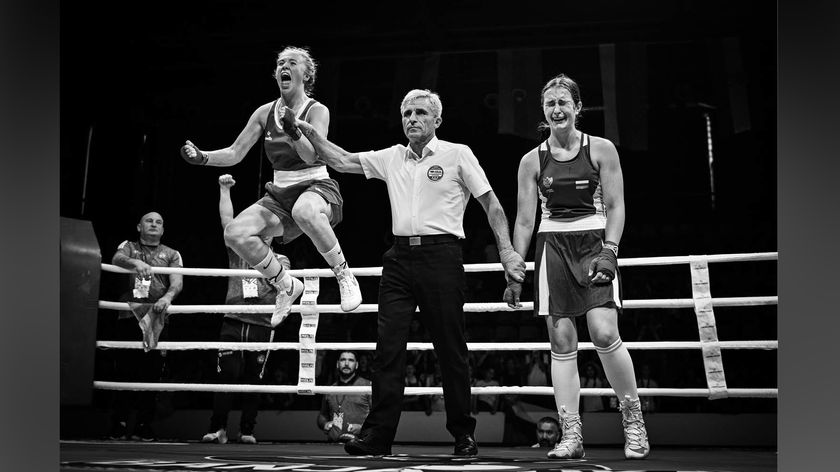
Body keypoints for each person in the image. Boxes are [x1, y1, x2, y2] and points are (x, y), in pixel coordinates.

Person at [294, 89, 526, 457]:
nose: (412, 119)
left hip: (443, 255)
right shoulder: (391, 157)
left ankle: (463, 433)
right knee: (388, 350)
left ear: (437, 120)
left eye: (420, 113)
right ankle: (378, 436)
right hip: (399, 258)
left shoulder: (457, 154)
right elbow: (340, 160)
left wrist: (507, 251)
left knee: (450, 348)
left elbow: (492, 205)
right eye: (406, 113)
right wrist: (309, 132)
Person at [504, 74, 649, 460]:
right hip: (552, 246)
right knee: (561, 343)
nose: (557, 109)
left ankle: (633, 420)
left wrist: (611, 250)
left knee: (603, 333)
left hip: (594, 241)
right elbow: (523, 221)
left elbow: (617, 205)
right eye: (550, 103)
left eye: (563, 102)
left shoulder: (601, 149)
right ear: (543, 110)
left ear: (578, 107)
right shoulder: (531, 160)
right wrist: (516, 270)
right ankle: (571, 434)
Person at [179, 45, 361, 329]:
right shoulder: (265, 112)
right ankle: (286, 285)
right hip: (280, 193)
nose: (284, 67)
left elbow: (312, 155)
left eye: (291, 63)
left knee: (304, 210)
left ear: (306, 74)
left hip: (316, 185)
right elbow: (235, 153)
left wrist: (294, 130)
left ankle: (343, 274)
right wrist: (203, 158)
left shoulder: (317, 110)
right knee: (235, 233)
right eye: (280, 63)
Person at [201, 174, 288, 445]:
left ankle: (247, 429)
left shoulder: (280, 259)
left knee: (254, 378)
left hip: (262, 323)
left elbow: (285, 290)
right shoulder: (238, 252)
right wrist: (224, 189)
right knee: (226, 374)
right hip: (233, 318)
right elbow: (228, 223)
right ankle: (218, 429)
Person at [107, 211, 184, 441]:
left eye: (159, 222)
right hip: (129, 314)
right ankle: (118, 424)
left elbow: (177, 282)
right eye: (149, 221)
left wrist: (167, 298)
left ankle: (144, 425)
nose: (154, 224)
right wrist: (135, 262)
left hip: (157, 316)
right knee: (123, 371)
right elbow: (116, 259)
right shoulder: (129, 246)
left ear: (163, 229)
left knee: (151, 374)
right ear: (139, 226)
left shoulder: (172, 253)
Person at [317, 351, 372, 443]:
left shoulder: (368, 386)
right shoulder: (330, 390)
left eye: (351, 360)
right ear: (337, 364)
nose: (346, 363)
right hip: (334, 444)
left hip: (361, 443)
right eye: (343, 360)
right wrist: (324, 424)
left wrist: (363, 428)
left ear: (357, 365)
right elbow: (322, 415)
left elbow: (379, 416)